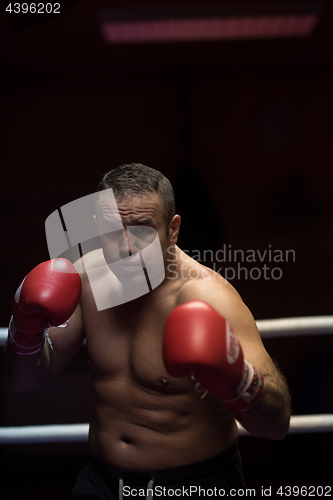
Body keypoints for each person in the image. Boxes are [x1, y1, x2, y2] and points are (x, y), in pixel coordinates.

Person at [5, 163, 291, 499]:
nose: (126, 246)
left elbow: (276, 424)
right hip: (103, 481)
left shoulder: (208, 297)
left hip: (196, 483)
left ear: (172, 230)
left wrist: (237, 379)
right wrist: (25, 331)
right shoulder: (84, 280)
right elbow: (24, 380)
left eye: (142, 230)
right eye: (113, 231)